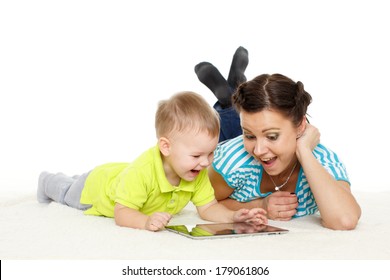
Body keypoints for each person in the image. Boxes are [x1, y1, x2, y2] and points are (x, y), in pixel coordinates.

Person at [37, 91, 267, 232]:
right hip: (96, 188)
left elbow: (208, 208)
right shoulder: (143, 172)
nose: (206, 163)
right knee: (66, 191)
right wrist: (145, 222)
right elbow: (122, 212)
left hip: (120, 175)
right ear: (166, 147)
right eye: (196, 156)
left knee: (111, 180)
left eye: (211, 153)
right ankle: (47, 180)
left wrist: (232, 216)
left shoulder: (194, 173)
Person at [195, 54, 361, 230]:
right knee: (227, 127)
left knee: (245, 126)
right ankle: (231, 96)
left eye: (272, 136)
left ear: (300, 126)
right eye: (249, 136)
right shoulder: (233, 160)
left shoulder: (323, 161)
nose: (258, 150)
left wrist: (304, 151)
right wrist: (260, 206)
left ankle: (233, 91)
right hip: (230, 145)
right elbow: (207, 203)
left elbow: (345, 220)